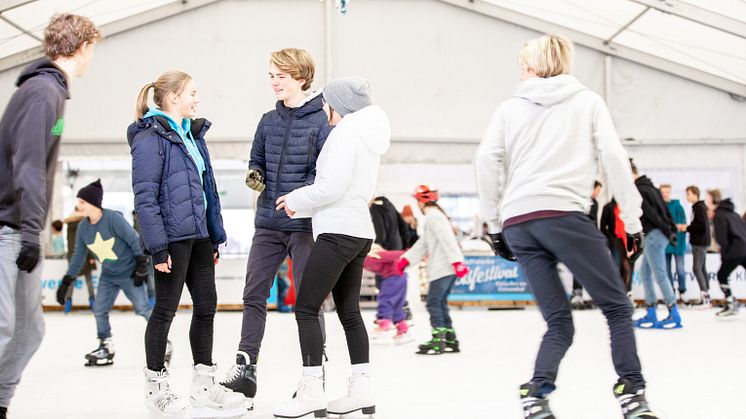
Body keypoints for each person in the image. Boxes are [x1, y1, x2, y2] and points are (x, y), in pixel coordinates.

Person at [476, 35, 657, 418]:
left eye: (523, 64)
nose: (520, 71)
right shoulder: (588, 102)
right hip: (564, 215)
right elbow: (613, 156)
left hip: (520, 222)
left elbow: (486, 160)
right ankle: (633, 393)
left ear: (533, 66)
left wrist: (494, 224)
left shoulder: (510, 109)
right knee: (618, 308)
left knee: (559, 321)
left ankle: (536, 393)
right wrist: (633, 218)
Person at [0, 13, 100, 419]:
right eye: (92, 49)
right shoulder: (43, 93)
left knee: (29, 330)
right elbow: (28, 167)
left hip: (17, 228)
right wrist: (29, 233)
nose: (93, 57)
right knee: (5, 327)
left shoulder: (50, 91)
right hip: (8, 228)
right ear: (81, 48)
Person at [273, 76, 390, 418]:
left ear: (336, 104)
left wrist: (295, 198)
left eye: (326, 101)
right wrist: (305, 205)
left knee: (306, 308)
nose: (323, 106)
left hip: (338, 232)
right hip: (357, 231)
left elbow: (330, 187)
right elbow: (346, 189)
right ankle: (361, 389)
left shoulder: (345, 132)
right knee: (349, 312)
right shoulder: (368, 135)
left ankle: (311, 392)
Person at [222, 48, 331, 408]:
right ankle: (246, 367)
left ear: (301, 76)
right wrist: (255, 177)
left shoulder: (320, 122)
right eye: (270, 75)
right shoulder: (267, 120)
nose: (273, 81)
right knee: (254, 293)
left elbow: (323, 173)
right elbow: (256, 160)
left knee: (308, 300)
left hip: (303, 225)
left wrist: (301, 197)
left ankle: (315, 374)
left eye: (280, 75)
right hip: (268, 222)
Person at [129, 71, 242, 416]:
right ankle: (155, 387)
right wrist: (157, 246)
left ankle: (203, 385)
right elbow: (145, 198)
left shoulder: (192, 136)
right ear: (173, 97)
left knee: (207, 306)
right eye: (192, 93)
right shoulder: (150, 138)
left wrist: (214, 235)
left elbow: (207, 191)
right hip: (172, 239)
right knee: (165, 309)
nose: (197, 99)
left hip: (199, 237)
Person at [55, 180, 153, 367]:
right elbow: (78, 256)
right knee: (99, 310)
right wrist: (67, 280)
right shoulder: (84, 227)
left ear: (93, 203)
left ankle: (162, 341)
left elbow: (134, 239)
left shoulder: (112, 219)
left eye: (82, 202)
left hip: (129, 272)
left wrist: (141, 264)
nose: (78, 206)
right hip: (108, 274)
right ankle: (105, 346)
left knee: (142, 308)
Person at [397, 185, 469, 356]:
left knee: (433, 302)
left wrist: (457, 262)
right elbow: (424, 243)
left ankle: (438, 341)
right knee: (439, 302)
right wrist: (406, 260)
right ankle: (450, 339)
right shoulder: (433, 217)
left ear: (422, 201)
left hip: (444, 267)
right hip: (446, 267)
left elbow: (447, 239)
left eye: (417, 201)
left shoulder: (434, 217)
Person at [631, 162, 683, 329]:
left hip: (655, 235)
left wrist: (669, 232)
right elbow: (665, 210)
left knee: (659, 274)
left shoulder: (639, 190)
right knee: (645, 273)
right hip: (658, 234)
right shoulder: (651, 187)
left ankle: (673, 312)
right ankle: (651, 312)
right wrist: (672, 230)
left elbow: (652, 214)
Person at [364, 245, 412, 344]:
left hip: (393, 277)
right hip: (399, 277)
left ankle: (384, 326)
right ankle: (403, 330)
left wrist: (411, 251)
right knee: (397, 305)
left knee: (385, 300)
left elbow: (399, 254)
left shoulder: (377, 255)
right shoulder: (367, 258)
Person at [711, 190, 746, 317]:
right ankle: (731, 303)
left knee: (722, 275)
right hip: (744, 248)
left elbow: (722, 239)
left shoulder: (719, 215)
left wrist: (725, 255)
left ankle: (731, 303)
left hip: (735, 250)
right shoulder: (734, 214)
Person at [570, 180, 602, 309]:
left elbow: (594, 224)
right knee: (580, 267)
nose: (598, 193)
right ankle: (577, 294)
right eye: (597, 190)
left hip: (590, 240)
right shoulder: (583, 201)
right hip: (580, 240)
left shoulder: (595, 203)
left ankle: (587, 294)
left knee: (589, 268)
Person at [600, 199, 635, 300]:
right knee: (616, 267)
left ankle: (626, 292)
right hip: (616, 241)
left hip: (628, 241)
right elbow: (603, 226)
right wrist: (610, 239)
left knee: (628, 268)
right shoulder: (609, 207)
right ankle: (617, 294)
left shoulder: (628, 205)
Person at [65, 206, 97, 307]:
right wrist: (91, 256)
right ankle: (92, 301)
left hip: (72, 256)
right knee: (89, 279)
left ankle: (68, 302)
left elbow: (69, 243)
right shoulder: (84, 224)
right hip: (84, 255)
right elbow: (88, 241)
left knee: (72, 279)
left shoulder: (69, 224)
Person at [660, 184, 688, 301]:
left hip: (678, 243)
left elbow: (683, 226)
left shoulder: (678, 207)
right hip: (664, 244)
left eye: (667, 191)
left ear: (670, 192)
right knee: (666, 270)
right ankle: (670, 293)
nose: (665, 194)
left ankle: (682, 291)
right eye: (663, 192)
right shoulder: (658, 207)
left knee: (680, 269)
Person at [686, 185, 711, 305]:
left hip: (700, 242)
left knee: (696, 268)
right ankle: (706, 294)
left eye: (688, 194)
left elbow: (701, 225)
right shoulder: (698, 207)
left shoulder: (699, 207)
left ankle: (704, 295)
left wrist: (687, 228)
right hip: (700, 242)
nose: (687, 197)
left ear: (695, 194)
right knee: (702, 268)